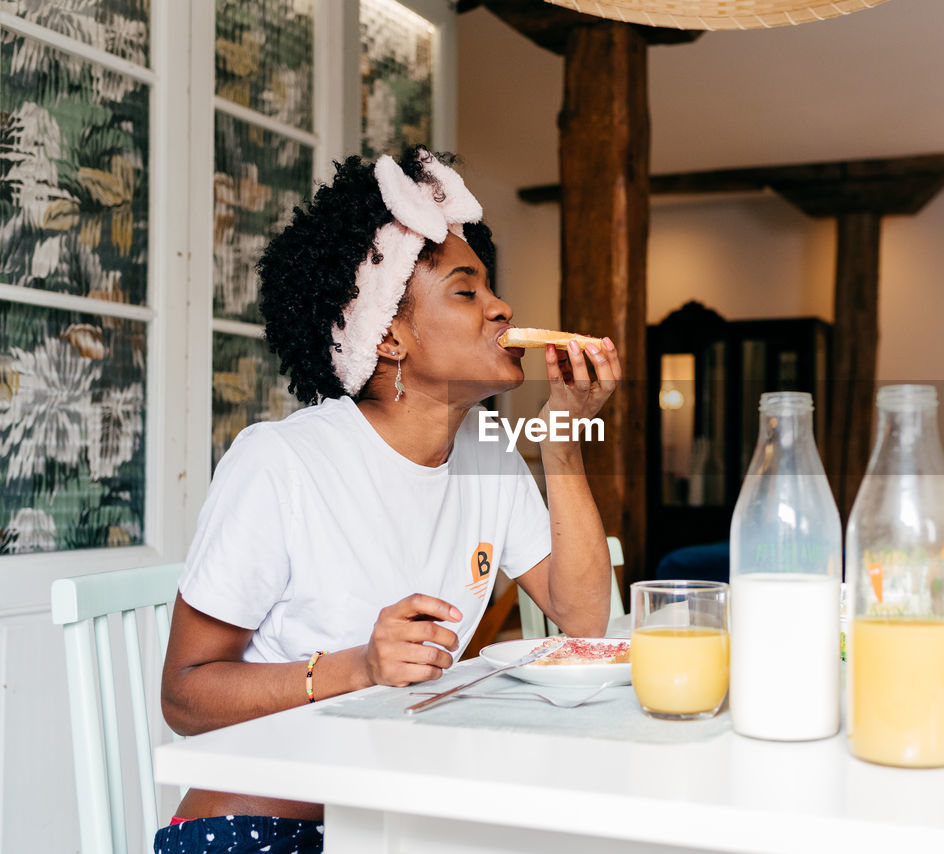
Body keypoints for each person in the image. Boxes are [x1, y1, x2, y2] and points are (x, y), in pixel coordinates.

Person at [154, 148, 620, 854]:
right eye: (467, 292)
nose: (503, 308)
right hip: (267, 830)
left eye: (490, 288)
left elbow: (585, 618)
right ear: (391, 335)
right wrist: (359, 667)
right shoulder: (282, 464)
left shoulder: (488, 452)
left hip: (401, 818)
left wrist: (561, 438)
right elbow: (184, 696)